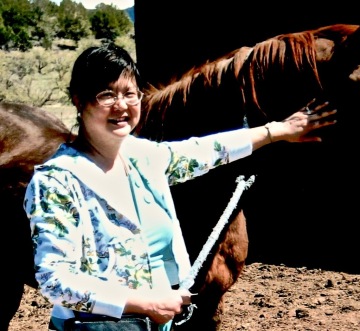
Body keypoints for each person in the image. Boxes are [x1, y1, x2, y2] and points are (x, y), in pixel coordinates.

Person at [23, 43, 337, 331]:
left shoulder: (145, 158)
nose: (121, 105)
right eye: (106, 94)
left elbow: (206, 150)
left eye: (130, 93)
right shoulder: (56, 179)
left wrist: (277, 131)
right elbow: (55, 280)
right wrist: (142, 303)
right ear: (78, 99)